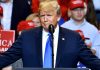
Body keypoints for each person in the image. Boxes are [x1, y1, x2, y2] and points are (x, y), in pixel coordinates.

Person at [0, 0, 100, 70]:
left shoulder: (73, 38)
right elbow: (6, 58)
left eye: (49, 15)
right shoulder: (27, 37)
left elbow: (93, 62)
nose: (45, 19)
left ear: (58, 16)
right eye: (42, 15)